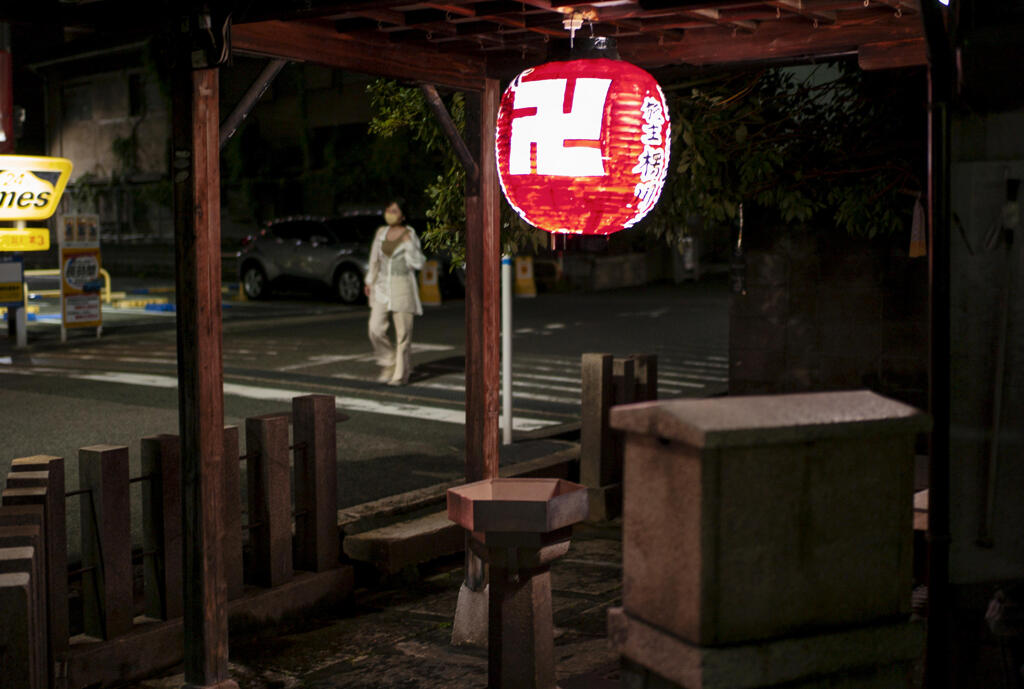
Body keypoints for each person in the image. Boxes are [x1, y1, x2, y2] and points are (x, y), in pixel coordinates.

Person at [364, 201, 426, 386]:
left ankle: (400, 374)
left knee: (403, 334)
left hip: (402, 287)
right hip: (382, 286)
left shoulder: (410, 234)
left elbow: (418, 263)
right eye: (388, 210)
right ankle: (389, 361)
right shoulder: (381, 233)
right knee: (374, 328)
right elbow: (374, 259)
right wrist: (370, 281)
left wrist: (408, 245)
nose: (389, 213)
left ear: (403, 216)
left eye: (394, 211)